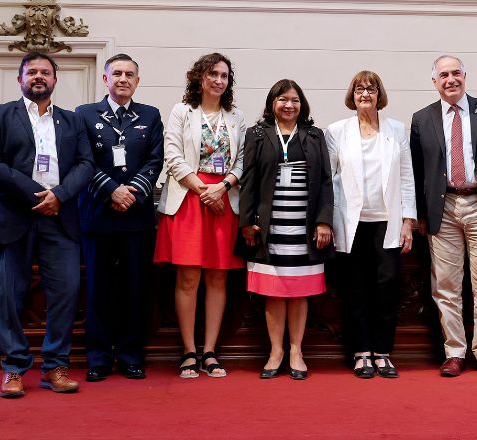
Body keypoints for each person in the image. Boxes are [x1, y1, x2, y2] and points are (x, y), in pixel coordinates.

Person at [0, 52, 94, 398]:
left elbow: (86, 165)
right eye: (32, 72)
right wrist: (37, 194)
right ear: (20, 79)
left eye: (45, 72)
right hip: (14, 217)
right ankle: (13, 367)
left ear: (55, 80)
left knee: (66, 291)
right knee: (9, 295)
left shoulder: (72, 122)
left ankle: (55, 366)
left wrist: (58, 196)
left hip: (60, 218)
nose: (39, 77)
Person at [410, 55, 477, 379]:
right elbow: (417, 173)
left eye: (456, 73)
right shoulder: (421, 118)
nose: (450, 79)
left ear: (465, 76)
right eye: (443, 75)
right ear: (434, 82)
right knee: (445, 286)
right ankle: (454, 352)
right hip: (442, 209)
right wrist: (419, 214)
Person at [155, 53, 245, 378]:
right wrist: (203, 191)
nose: (218, 80)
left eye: (224, 75)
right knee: (189, 277)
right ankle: (189, 350)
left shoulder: (235, 117)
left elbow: (243, 160)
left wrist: (222, 187)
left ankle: (210, 351)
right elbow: (172, 155)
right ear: (200, 77)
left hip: (223, 198)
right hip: (190, 199)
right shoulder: (182, 112)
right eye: (213, 74)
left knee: (218, 276)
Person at [76, 54, 163, 382]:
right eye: (117, 74)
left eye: (129, 74)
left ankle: (130, 355)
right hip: (97, 215)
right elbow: (81, 159)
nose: (123, 79)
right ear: (105, 79)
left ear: (137, 81)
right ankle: (98, 357)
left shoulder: (150, 116)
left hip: (136, 218)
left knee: (133, 288)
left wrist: (131, 193)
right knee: (97, 289)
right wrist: (112, 190)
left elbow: (155, 161)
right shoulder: (84, 115)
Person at [239, 79, 334, 380]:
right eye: (282, 100)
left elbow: (325, 182)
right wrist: (247, 221)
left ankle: (296, 350)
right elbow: (249, 180)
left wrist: (323, 220)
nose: (289, 105)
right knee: (274, 291)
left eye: (294, 100)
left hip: (304, 227)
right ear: (272, 104)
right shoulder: (257, 134)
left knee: (299, 289)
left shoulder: (314, 135)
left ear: (302, 104)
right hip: (269, 226)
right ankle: (275, 351)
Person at [325, 71, 417, 379]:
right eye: (360, 89)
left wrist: (408, 221)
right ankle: (361, 351)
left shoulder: (396, 129)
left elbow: (406, 177)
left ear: (380, 94)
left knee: (386, 288)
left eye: (371, 89)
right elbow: (329, 180)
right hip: (350, 223)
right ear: (352, 95)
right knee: (354, 289)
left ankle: (382, 351)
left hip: (386, 222)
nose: (365, 94)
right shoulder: (337, 131)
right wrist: (327, 220)